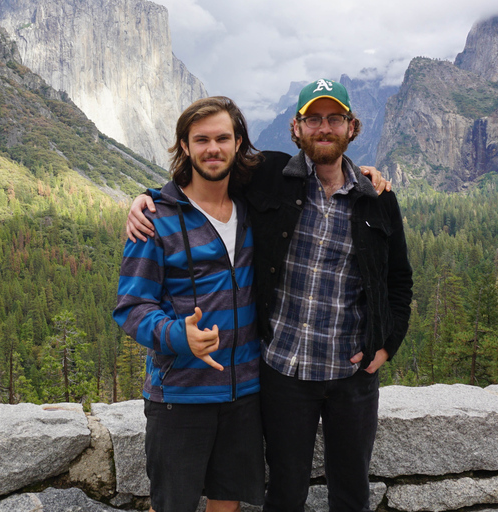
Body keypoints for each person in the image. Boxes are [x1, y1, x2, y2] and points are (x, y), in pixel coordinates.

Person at [127, 79, 413, 512]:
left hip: (339, 376)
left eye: (334, 118)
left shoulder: (376, 199)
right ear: (295, 129)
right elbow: (203, 180)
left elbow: (398, 281)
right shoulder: (272, 178)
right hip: (274, 375)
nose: (324, 128)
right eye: (313, 119)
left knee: (350, 492)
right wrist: (147, 199)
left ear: (352, 127)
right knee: (279, 492)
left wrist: (388, 345)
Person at [113, 96, 265, 512]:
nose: (212, 148)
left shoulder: (257, 208)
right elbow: (131, 307)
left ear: (238, 143)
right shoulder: (155, 220)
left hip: (244, 393)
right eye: (201, 140)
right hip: (179, 396)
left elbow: (316, 173)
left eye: (222, 138)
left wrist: (366, 176)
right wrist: (179, 335)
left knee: (226, 503)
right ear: (184, 145)